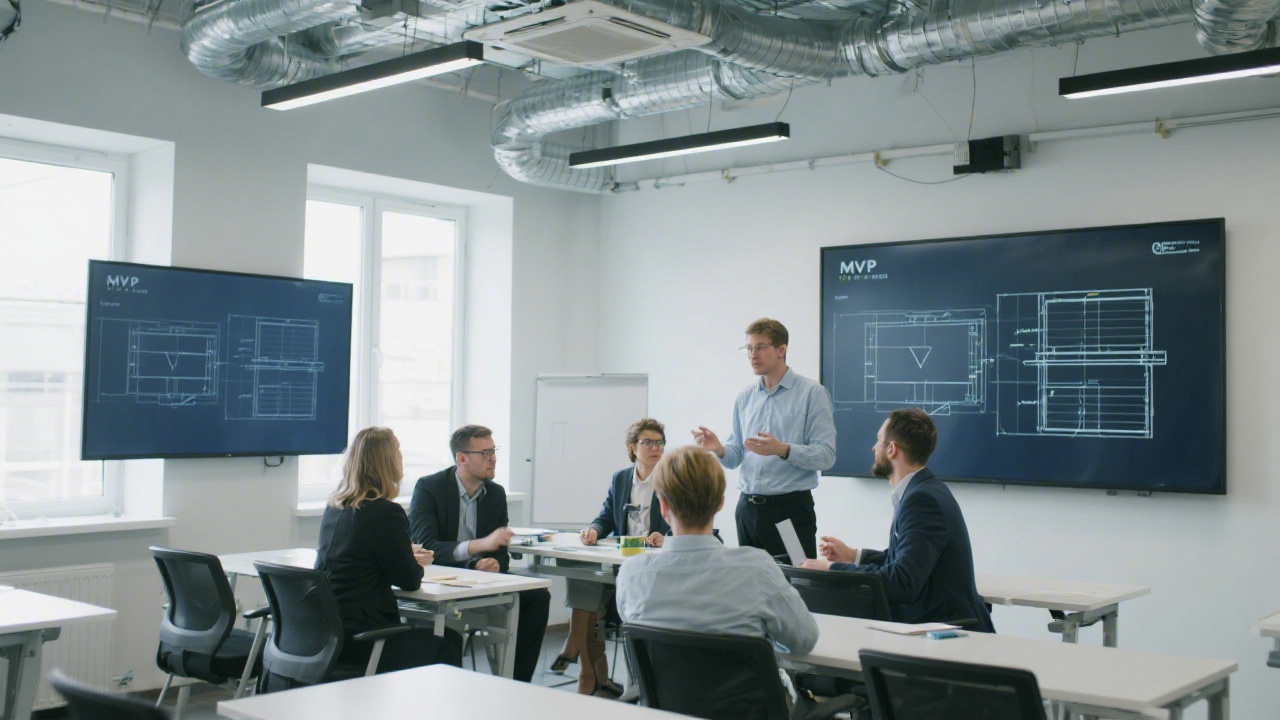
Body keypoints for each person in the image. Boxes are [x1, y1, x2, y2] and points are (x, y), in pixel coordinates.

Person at [800, 408, 994, 633]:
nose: (874, 447)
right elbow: (902, 563)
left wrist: (831, 569)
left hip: (947, 631)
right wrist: (854, 556)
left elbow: (902, 582)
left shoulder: (922, 500)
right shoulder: (923, 490)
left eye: (878, 440)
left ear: (892, 449)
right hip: (935, 623)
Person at [616, 445, 818, 655]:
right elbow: (804, 640)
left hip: (663, 688)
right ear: (720, 503)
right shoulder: (758, 570)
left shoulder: (631, 575)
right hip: (744, 687)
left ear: (664, 507)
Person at [408, 424, 551, 683]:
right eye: (485, 453)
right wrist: (480, 546)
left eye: (493, 451)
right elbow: (426, 546)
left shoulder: (495, 493)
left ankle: (518, 684)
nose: (493, 458)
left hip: (480, 578)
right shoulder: (430, 488)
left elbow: (501, 552)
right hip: (441, 580)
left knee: (537, 597)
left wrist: (493, 562)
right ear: (461, 458)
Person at [314, 426, 463, 675]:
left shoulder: (336, 506)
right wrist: (410, 559)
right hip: (365, 639)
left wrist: (401, 554)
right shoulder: (385, 513)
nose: (402, 457)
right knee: (448, 642)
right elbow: (409, 580)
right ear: (385, 461)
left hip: (328, 634)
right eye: (397, 450)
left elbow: (357, 558)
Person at [693, 317, 836, 559]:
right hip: (747, 510)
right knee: (752, 589)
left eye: (760, 347)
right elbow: (737, 454)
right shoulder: (745, 397)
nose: (752, 355)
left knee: (793, 583)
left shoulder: (812, 393)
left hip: (788, 511)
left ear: (782, 350)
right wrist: (719, 449)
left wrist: (782, 449)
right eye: (749, 348)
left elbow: (826, 456)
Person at [551, 418, 672, 695]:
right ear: (632, 447)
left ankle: (577, 649)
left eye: (659, 442)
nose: (655, 447)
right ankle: (591, 673)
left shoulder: (671, 478)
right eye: (647, 442)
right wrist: (593, 530)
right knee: (581, 568)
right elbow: (605, 516)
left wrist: (668, 538)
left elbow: (682, 522)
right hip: (621, 560)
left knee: (592, 600)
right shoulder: (620, 478)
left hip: (653, 566)